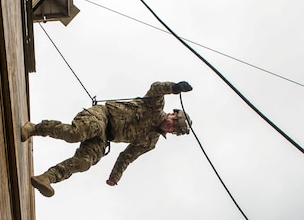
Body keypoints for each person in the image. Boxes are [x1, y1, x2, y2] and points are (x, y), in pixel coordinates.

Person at [20, 81, 193, 197]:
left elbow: (127, 156)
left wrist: (115, 176)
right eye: (174, 123)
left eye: (174, 130)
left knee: (85, 162)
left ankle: (47, 178)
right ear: (172, 114)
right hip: (102, 116)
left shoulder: (149, 142)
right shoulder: (155, 107)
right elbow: (156, 88)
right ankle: (34, 128)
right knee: (77, 133)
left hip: (105, 138)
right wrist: (175, 87)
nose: (171, 127)